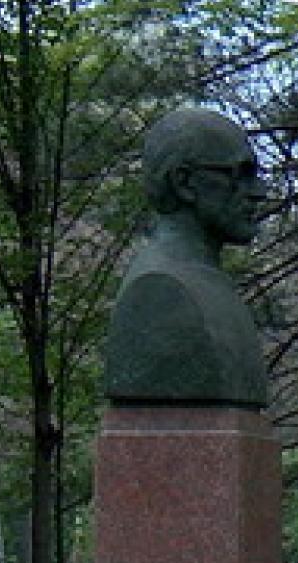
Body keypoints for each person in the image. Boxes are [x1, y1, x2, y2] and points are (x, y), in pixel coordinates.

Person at [103, 108, 271, 407]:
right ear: (184, 183)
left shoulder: (211, 286)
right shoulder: (158, 292)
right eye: (241, 175)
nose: (259, 192)